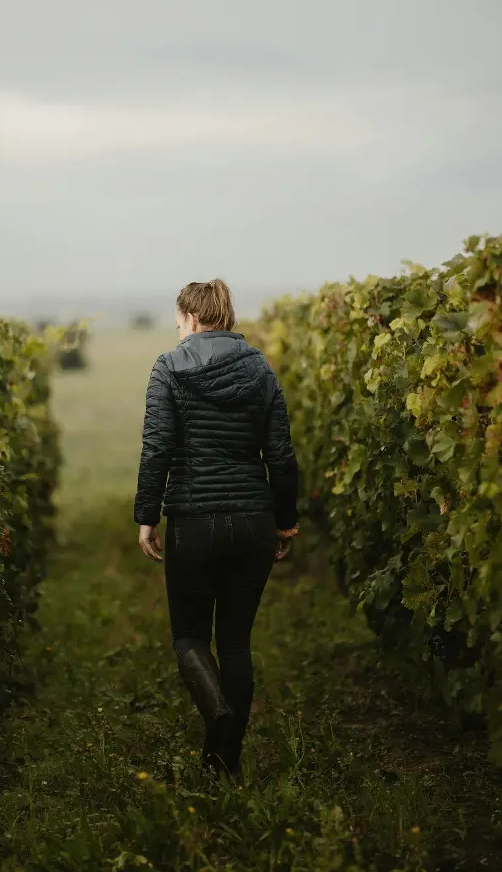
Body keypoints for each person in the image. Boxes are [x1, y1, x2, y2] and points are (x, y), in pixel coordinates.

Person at [133, 279, 299, 777]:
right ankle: (225, 764)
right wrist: (285, 522)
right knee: (235, 642)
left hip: (193, 522)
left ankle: (218, 719)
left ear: (190, 317)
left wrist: (147, 516)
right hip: (253, 520)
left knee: (189, 636)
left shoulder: (168, 367)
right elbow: (282, 455)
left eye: (178, 319)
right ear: (225, 317)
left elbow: (157, 445)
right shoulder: (261, 370)